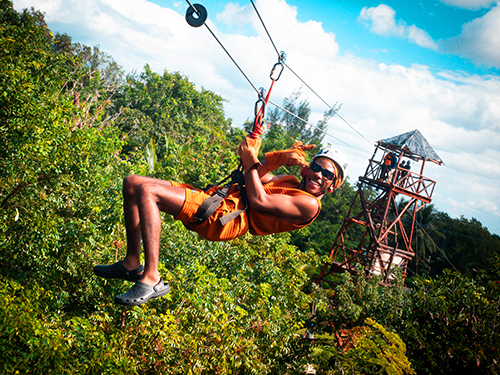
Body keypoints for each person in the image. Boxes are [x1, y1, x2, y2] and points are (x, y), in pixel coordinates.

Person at [93, 135, 348, 306]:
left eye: (327, 174)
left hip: (223, 217)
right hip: (217, 199)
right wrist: (279, 157)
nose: (319, 175)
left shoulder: (309, 204)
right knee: (133, 183)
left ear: (332, 186)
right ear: (307, 168)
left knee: (148, 192)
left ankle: (151, 277)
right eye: (317, 167)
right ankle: (131, 262)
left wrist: (249, 160)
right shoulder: (292, 182)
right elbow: (257, 175)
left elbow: (259, 200)